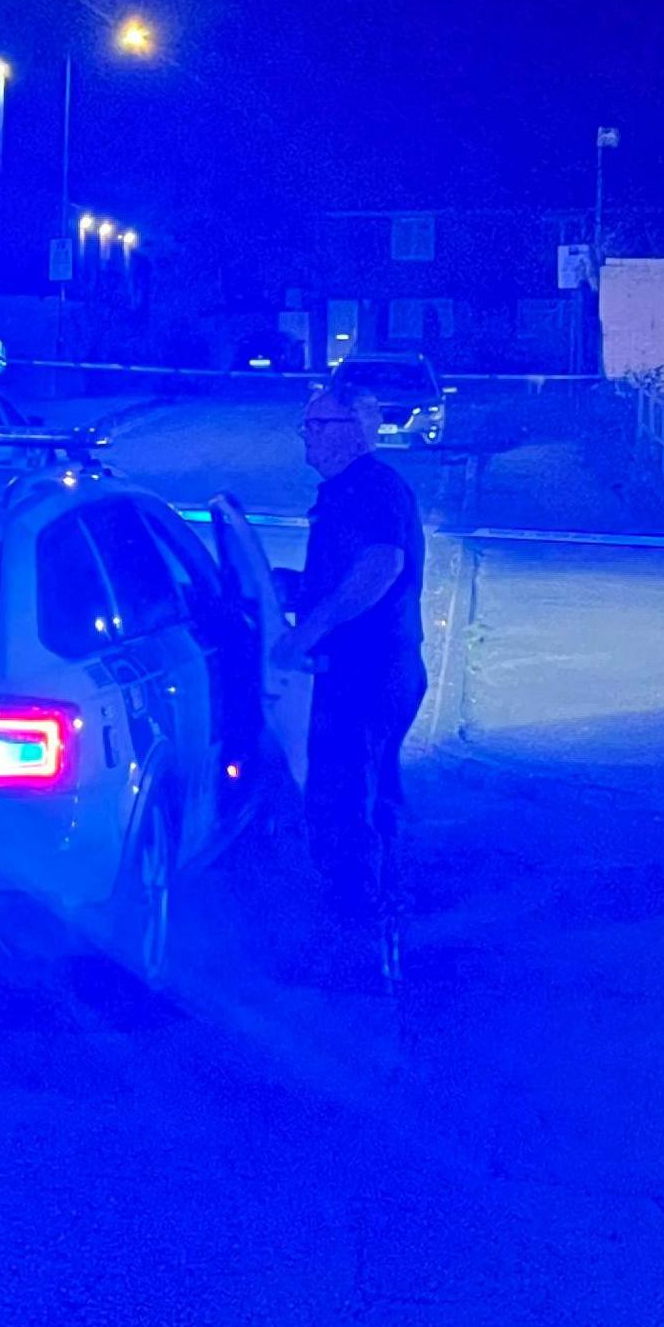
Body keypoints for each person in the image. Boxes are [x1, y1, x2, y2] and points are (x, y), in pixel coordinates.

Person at [274, 379, 428, 974]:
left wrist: (303, 634)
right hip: (382, 671)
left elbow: (380, 566)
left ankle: (352, 947)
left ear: (357, 431)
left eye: (318, 425)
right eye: (306, 425)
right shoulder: (350, 491)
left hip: (366, 675)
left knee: (340, 802)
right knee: (373, 796)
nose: (306, 436)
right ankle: (384, 914)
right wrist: (284, 590)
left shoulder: (370, 488)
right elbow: (340, 579)